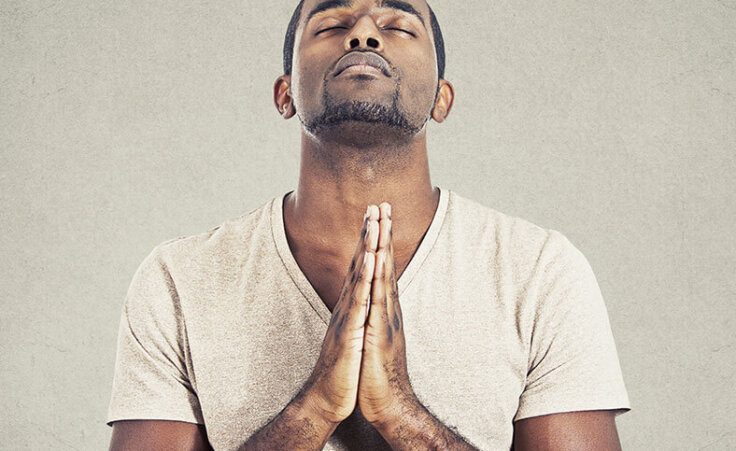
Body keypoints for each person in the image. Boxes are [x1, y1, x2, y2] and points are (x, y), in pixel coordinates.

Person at [106, 0, 631, 449]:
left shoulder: (539, 271)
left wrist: (400, 412)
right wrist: (313, 410)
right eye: (332, 23)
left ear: (441, 99)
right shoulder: (179, 278)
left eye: (397, 26)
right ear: (284, 94)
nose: (362, 33)